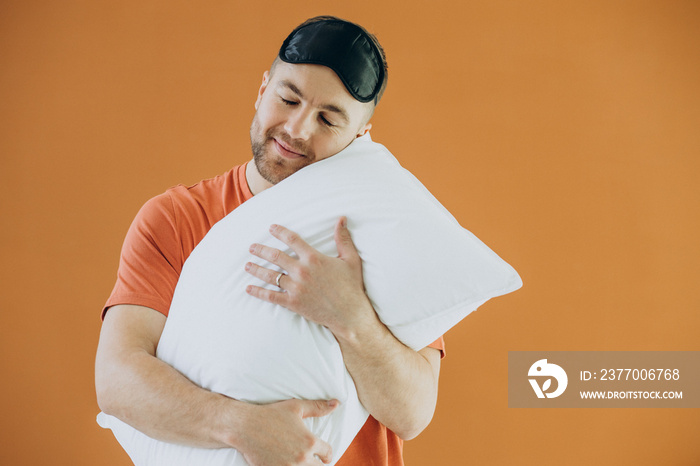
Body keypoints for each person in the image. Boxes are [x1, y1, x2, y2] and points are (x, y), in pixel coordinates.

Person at [95, 16, 444, 466]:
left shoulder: (385, 234)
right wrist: (240, 427)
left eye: (328, 118)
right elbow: (117, 379)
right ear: (262, 90)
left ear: (361, 135)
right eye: (288, 98)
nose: (298, 129)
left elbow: (412, 414)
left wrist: (349, 316)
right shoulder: (178, 219)